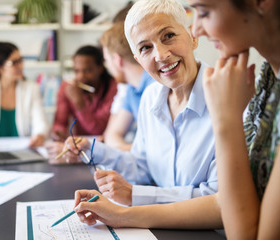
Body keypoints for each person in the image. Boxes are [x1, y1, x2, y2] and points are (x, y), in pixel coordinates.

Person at [72, 0, 280, 238]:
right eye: (145, 48)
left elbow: (224, 207)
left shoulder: (248, 94)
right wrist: (96, 153)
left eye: (203, 12)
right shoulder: (270, 84)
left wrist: (128, 208)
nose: (198, 29)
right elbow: (145, 165)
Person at [61, 0, 217, 207]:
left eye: (168, 36)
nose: (160, 55)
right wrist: (92, 150)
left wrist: (136, 195)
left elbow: (217, 197)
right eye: (145, 48)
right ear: (138, 59)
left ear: (193, 36)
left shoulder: (227, 96)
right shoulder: (151, 96)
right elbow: (143, 166)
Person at [46, 45, 117, 162]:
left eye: (87, 71)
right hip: (77, 150)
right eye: (76, 71)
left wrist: (79, 103)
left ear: (100, 68)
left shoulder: (114, 88)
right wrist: (58, 132)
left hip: (104, 151)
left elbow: (97, 129)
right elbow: (59, 122)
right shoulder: (67, 87)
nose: (81, 77)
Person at [101, 22, 155, 151]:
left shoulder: (156, 86)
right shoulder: (132, 88)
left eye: (106, 60)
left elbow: (158, 150)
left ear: (117, 60)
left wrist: (118, 150)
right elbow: (112, 135)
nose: (107, 67)